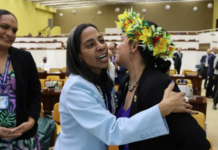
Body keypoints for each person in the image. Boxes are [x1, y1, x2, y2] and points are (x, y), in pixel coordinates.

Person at [54, 23, 196, 150]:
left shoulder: (154, 85)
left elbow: (193, 138)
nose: (101, 46)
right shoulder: (76, 87)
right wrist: (161, 110)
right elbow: (112, 130)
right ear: (78, 56)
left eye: (101, 40)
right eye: (90, 45)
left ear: (134, 47)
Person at [115, 9, 210, 150]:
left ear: (134, 46)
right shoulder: (128, 81)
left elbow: (198, 142)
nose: (116, 46)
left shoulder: (158, 86)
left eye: (121, 40)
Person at [0, 9, 41, 149]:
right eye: (5, 27)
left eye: (14, 30)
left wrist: (31, 121)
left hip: (23, 139)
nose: (10, 34)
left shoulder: (24, 58)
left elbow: (35, 93)